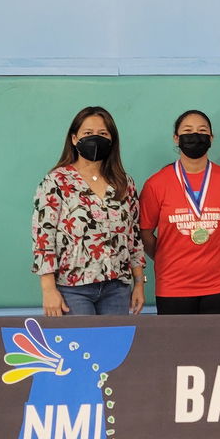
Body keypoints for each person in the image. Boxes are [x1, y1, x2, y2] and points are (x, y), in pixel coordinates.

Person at [31, 106, 146, 316]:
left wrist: (139, 283)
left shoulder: (124, 183)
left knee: (114, 348)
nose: (96, 138)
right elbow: (43, 237)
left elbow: (134, 238)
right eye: (88, 133)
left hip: (117, 288)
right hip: (73, 289)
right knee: (80, 347)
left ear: (112, 140)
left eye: (103, 134)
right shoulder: (57, 181)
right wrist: (48, 289)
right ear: (74, 139)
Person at [139, 110, 220, 315]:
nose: (195, 136)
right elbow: (144, 232)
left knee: (217, 345)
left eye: (202, 131)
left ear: (211, 138)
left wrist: (219, 250)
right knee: (177, 346)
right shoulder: (156, 183)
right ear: (176, 138)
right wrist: (164, 256)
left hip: (219, 285)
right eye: (188, 131)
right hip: (172, 286)